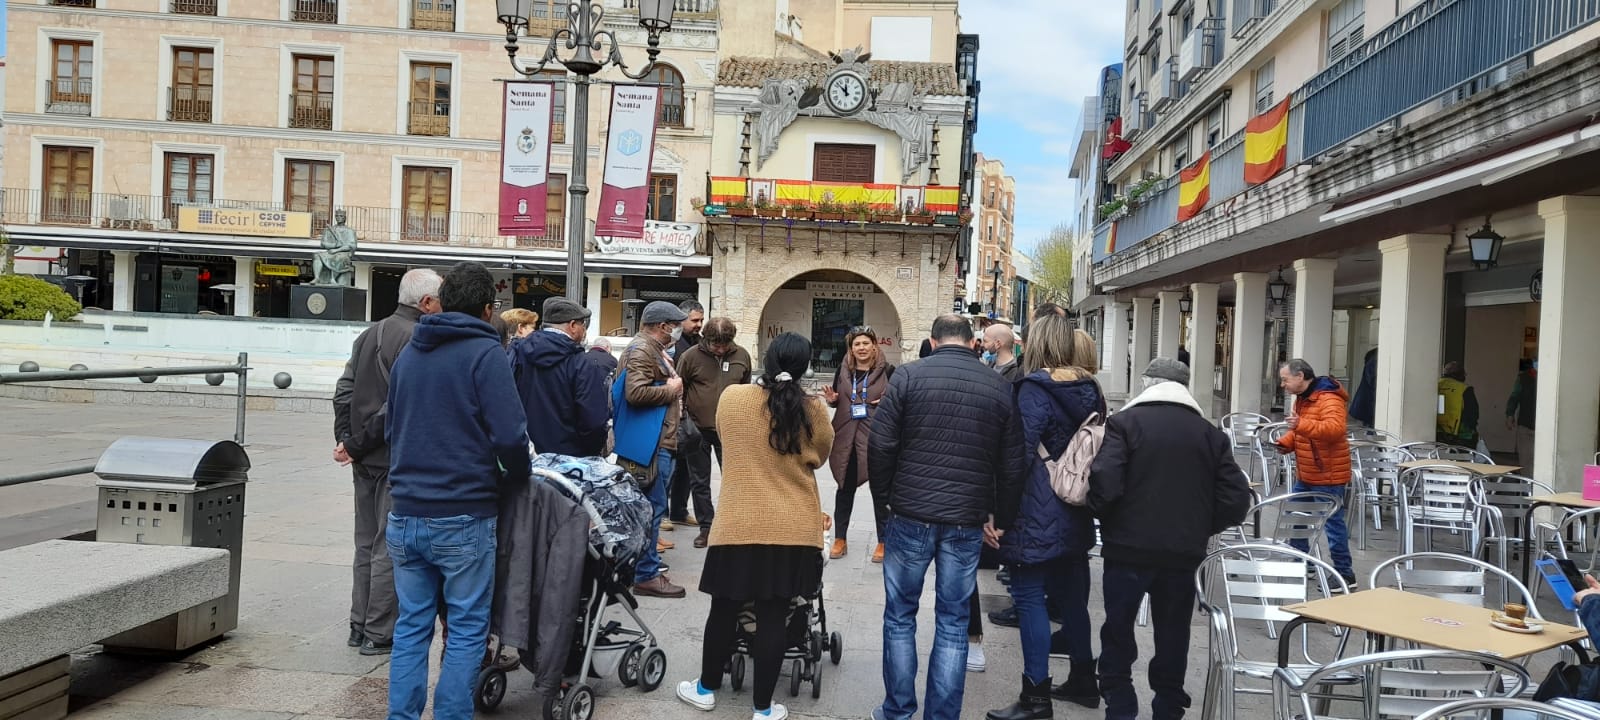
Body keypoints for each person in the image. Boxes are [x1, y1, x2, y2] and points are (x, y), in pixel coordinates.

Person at [384, 261, 532, 720]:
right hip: (463, 512)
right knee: (467, 628)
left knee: (411, 627)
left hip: (405, 510)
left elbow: (392, 426)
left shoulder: (412, 350)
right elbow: (510, 436)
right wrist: (516, 475)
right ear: (489, 309)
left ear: (442, 302)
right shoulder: (484, 355)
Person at [869, 314, 1025, 720]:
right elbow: (1012, 464)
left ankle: (898, 710)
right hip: (965, 518)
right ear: (973, 342)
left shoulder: (907, 377)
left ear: (933, 342)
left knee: (900, 615)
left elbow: (881, 446)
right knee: (954, 622)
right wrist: (1000, 517)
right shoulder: (997, 386)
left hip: (910, 512)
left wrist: (885, 504)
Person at [675, 332, 835, 720]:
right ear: (805, 366)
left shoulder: (733, 399)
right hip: (793, 527)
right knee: (773, 614)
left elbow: (725, 439)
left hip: (737, 522)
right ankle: (763, 708)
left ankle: (705, 688)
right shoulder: (812, 409)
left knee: (724, 610)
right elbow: (820, 456)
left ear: (767, 357)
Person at [1088, 358, 1251, 720]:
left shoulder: (1125, 424)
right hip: (1182, 553)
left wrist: (1108, 518)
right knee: (1174, 632)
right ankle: (1168, 704)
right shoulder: (1210, 434)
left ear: (1148, 383)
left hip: (1127, 548)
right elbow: (1237, 498)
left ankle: (1119, 697)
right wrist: (1200, 527)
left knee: (1117, 628)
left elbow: (1106, 480)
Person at [986, 319, 1104, 720]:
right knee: (1073, 597)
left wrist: (999, 515)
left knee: (1030, 597)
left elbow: (1016, 456)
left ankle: (1035, 697)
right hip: (1075, 504)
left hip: (1035, 507)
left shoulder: (1033, 389)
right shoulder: (1091, 390)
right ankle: (1085, 678)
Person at [331, 268, 441, 656]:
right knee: (386, 547)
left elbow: (343, 390)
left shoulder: (371, 332)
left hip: (365, 458)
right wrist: (356, 443)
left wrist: (345, 440)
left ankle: (358, 625)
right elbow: (395, 408)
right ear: (425, 302)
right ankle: (379, 632)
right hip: (395, 458)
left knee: (365, 544)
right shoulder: (419, 340)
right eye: (439, 299)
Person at [622, 300, 690, 599]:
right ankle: (646, 574)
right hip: (651, 444)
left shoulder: (650, 350)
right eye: (676, 326)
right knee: (651, 508)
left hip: (656, 441)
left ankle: (641, 566)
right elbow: (635, 392)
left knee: (648, 508)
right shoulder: (641, 350)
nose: (678, 331)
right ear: (663, 327)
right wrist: (671, 390)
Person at [1275, 358, 1356, 586]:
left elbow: (1334, 430)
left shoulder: (1329, 399)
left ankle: (1345, 573)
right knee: (1297, 516)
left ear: (1300, 376)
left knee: (1332, 523)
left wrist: (1299, 425)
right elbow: (1301, 431)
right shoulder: (1303, 399)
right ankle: (1302, 561)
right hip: (1307, 472)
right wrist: (1285, 443)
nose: (1283, 385)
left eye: (1285, 379)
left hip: (1327, 474)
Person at [675, 317, 754, 548]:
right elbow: (680, 388)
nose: (720, 349)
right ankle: (707, 527)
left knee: (733, 479)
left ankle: (730, 525)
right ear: (706, 340)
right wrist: (683, 418)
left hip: (729, 428)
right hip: (696, 428)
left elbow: (747, 390)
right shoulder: (690, 356)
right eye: (714, 344)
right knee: (699, 481)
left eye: (724, 344)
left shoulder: (742, 356)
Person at [822, 325, 894, 562]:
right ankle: (840, 538)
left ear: (874, 345)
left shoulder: (890, 372)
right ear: (851, 348)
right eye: (857, 344)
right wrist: (832, 401)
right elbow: (839, 399)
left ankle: (884, 541)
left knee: (880, 492)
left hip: (877, 438)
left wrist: (887, 402)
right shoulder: (843, 372)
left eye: (866, 343)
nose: (861, 348)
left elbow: (898, 404)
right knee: (845, 486)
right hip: (847, 438)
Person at [509, 297, 610, 458]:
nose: (584, 330)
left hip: (525, 455)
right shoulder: (582, 364)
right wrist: (590, 453)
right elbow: (594, 422)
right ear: (572, 326)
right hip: (569, 461)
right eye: (583, 324)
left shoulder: (518, 352)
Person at [666, 301, 708, 531]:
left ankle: (679, 511)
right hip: (675, 415)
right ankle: (662, 513)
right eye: (694, 320)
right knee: (669, 466)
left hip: (694, 417)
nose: (698, 325)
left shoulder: (699, 343)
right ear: (681, 320)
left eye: (701, 320)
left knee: (685, 467)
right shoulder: (673, 345)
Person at [1436, 361, 1481, 448]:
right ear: (1461, 375)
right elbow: (1473, 414)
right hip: (1460, 437)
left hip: (1436, 435)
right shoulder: (1464, 389)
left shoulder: (1435, 385)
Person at [1505, 359, 1537, 476]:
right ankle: (1531, 488)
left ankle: (1528, 488)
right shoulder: (1525, 378)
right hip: (1530, 425)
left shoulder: (1523, 378)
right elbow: (1514, 397)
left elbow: (1514, 397)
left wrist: (1510, 415)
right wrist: (1510, 414)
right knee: (1530, 460)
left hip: (1527, 424)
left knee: (1526, 460)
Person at [1348, 348, 1378, 427]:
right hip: (1369, 401)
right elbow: (1372, 382)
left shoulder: (1373, 359)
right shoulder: (1374, 361)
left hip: (1368, 400)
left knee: (1369, 426)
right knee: (1371, 428)